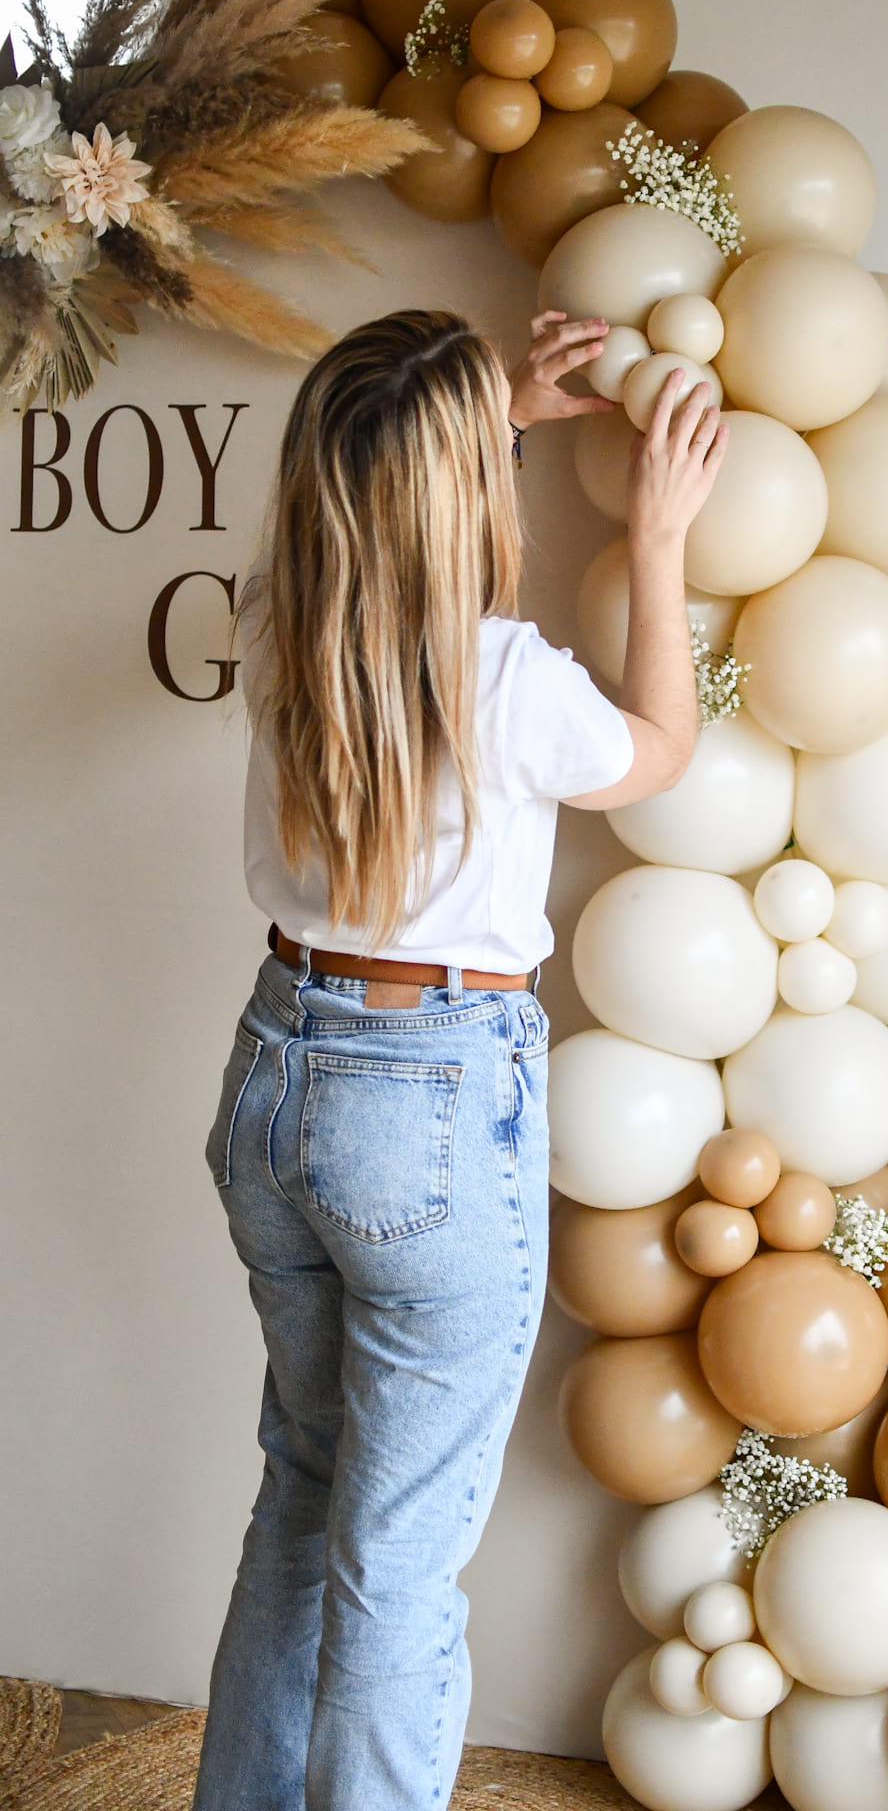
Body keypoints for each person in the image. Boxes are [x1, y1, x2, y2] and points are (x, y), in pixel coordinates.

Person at [191, 307, 727, 1811]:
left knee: (303, 1496)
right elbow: (662, 751)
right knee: (399, 1568)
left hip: (273, 1081)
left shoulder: (271, 625)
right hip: (424, 1105)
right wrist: (664, 536)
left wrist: (488, 403)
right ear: (461, 497)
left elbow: (377, 514)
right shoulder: (507, 679)